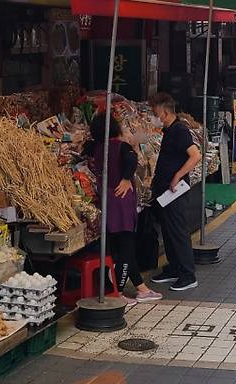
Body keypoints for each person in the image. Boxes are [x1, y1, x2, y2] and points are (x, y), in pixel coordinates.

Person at [86, 112, 163, 305]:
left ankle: (141, 289)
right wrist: (127, 177)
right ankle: (118, 292)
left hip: (107, 201)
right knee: (126, 247)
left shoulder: (97, 148)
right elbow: (131, 160)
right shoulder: (121, 147)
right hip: (122, 202)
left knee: (120, 246)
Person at [148, 93, 202, 291]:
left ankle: (188, 275)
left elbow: (195, 156)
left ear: (164, 112)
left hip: (175, 192)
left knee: (178, 232)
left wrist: (177, 176)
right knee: (168, 232)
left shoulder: (179, 130)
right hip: (164, 191)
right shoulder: (169, 130)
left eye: (155, 113)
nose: (153, 116)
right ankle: (174, 268)